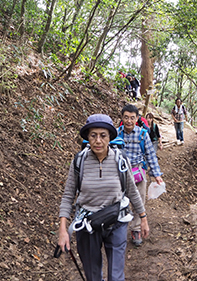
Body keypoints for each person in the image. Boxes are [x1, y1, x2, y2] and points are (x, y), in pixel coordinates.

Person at [57, 114, 149, 281]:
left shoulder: (120, 160)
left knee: (116, 277)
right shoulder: (79, 162)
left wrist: (143, 217)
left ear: (110, 137)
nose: (98, 140)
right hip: (87, 224)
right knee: (93, 276)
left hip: (117, 222)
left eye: (103, 135)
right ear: (87, 137)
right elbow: (68, 195)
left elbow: (131, 190)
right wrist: (63, 230)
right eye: (93, 135)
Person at [117, 104, 164, 246]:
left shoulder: (143, 134)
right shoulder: (116, 133)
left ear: (137, 118)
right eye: (126, 117)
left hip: (138, 173)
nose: (129, 121)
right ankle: (118, 228)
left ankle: (136, 228)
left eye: (132, 118)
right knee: (119, 201)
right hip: (120, 173)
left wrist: (156, 174)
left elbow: (151, 155)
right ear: (122, 118)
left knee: (139, 200)